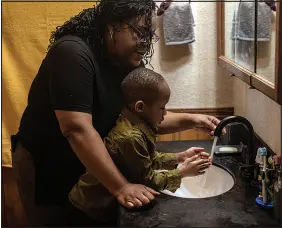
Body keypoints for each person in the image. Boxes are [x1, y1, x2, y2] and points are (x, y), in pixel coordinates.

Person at [11, 0, 223, 226]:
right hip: (49, 165)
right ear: (112, 27)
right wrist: (121, 186)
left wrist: (192, 120)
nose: (145, 42)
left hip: (89, 164)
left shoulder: (125, 61)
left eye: (148, 34)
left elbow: (146, 118)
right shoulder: (72, 53)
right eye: (139, 33)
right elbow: (76, 128)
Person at [68, 68, 212, 226]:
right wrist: (182, 172)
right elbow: (149, 180)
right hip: (90, 209)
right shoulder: (131, 137)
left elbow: (146, 160)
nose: (165, 114)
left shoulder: (137, 124)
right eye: (162, 108)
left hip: (96, 205)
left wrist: (179, 157)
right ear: (140, 107)